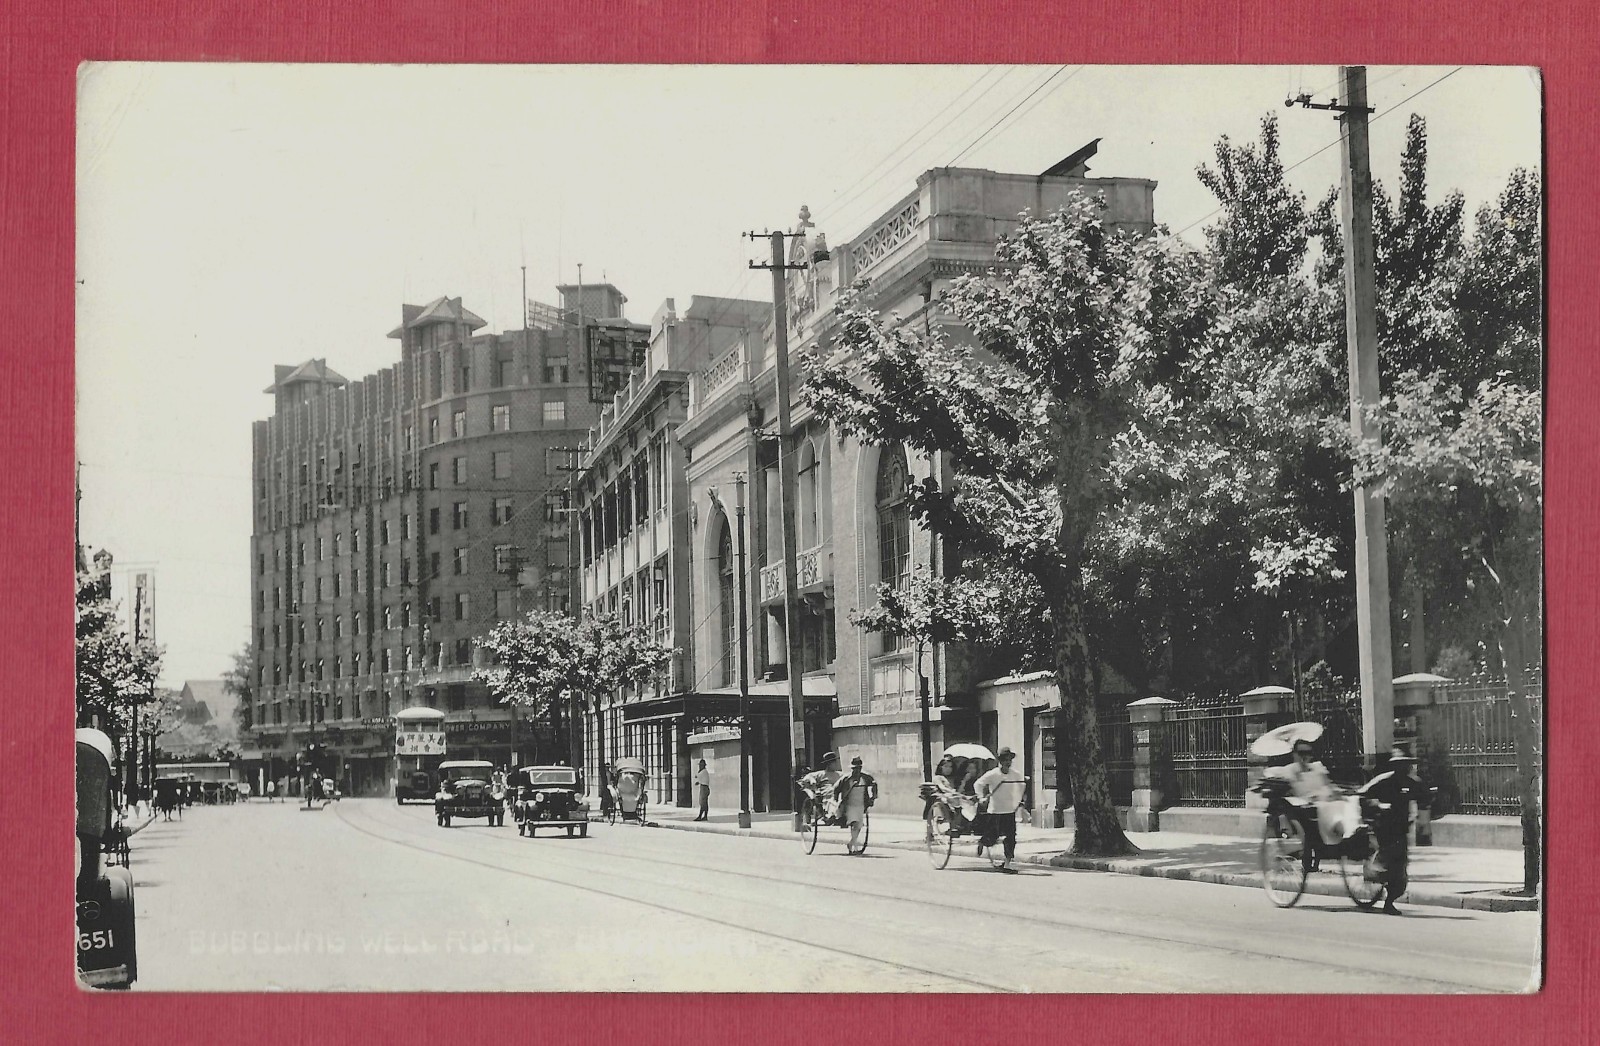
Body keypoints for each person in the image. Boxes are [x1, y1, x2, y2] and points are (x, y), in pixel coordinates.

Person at [1361, 746, 1432, 916]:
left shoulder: (1412, 782)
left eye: (1406, 764)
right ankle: (1374, 874)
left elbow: (1424, 798)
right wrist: (1378, 805)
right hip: (1383, 827)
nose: (1403, 768)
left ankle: (1389, 900)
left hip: (1401, 830)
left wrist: (1424, 818)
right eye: (1400, 764)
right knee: (1388, 863)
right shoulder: (1383, 780)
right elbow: (1363, 795)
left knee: (1400, 869)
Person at [1275, 739, 1336, 872]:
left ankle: (1318, 860)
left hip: (1317, 805)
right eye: (1301, 752)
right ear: (1295, 754)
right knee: (1307, 830)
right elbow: (1287, 791)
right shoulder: (1290, 770)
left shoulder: (1316, 768)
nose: (1305, 756)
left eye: (1308, 753)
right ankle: (1307, 863)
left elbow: (1327, 785)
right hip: (1298, 808)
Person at [975, 747, 1028, 870]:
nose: (1007, 762)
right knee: (992, 837)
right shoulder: (993, 774)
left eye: (1009, 760)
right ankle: (983, 842)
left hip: (1009, 810)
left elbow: (1022, 785)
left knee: (1011, 837)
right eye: (1005, 760)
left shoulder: (1015, 774)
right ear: (1000, 761)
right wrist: (981, 797)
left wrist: (1019, 800)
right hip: (995, 810)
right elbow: (978, 783)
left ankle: (1008, 863)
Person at [832, 756, 878, 853]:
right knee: (855, 823)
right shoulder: (845, 779)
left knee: (859, 825)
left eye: (858, 768)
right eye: (854, 768)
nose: (856, 771)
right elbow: (836, 789)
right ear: (851, 768)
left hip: (860, 805)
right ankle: (853, 845)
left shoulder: (866, 778)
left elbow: (874, 785)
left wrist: (872, 798)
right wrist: (836, 801)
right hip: (849, 805)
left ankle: (851, 843)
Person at [798, 752, 842, 823]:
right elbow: (808, 777)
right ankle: (831, 815)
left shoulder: (840, 774)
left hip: (840, 792)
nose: (836, 764)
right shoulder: (820, 774)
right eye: (834, 762)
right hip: (827, 793)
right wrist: (813, 782)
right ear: (828, 764)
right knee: (831, 799)